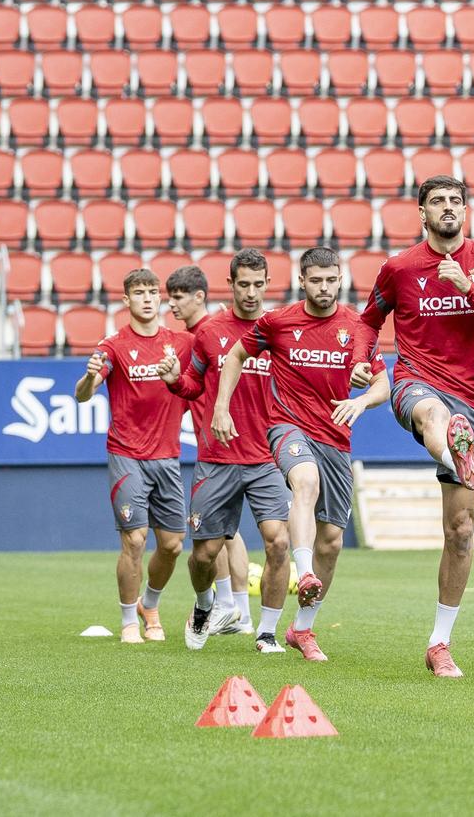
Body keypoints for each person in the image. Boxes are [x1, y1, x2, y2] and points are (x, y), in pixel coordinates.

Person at [360, 175, 474, 678]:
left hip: (473, 401)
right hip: (414, 381)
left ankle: (439, 643)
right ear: (423, 213)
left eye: (455, 201)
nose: (448, 208)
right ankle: (451, 453)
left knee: (460, 530)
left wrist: (471, 290)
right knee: (431, 414)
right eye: (438, 202)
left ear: (465, 210)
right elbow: (369, 321)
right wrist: (359, 359)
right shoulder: (399, 267)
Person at [212, 247, 386, 664]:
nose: (324, 287)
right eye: (316, 280)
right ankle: (302, 570)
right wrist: (221, 406)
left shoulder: (357, 328)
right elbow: (236, 354)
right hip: (287, 426)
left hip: (336, 438)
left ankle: (302, 629)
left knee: (333, 542)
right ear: (302, 281)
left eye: (331, 280)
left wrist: (362, 402)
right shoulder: (278, 322)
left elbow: (383, 383)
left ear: (339, 279)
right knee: (304, 480)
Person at [164, 256, 292, 653]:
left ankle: (267, 632)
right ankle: (205, 605)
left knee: (278, 543)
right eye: (243, 285)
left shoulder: (280, 331)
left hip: (265, 457)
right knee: (204, 553)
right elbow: (192, 385)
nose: (251, 293)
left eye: (258, 284)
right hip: (217, 458)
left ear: (268, 283)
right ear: (230, 284)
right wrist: (173, 381)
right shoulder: (210, 333)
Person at [75, 268, 190, 645]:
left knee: (172, 545)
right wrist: (90, 379)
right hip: (127, 455)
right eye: (138, 292)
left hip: (168, 456)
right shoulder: (113, 345)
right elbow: (83, 394)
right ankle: (128, 621)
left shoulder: (180, 342)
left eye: (151, 292)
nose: (145, 298)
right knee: (135, 540)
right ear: (126, 301)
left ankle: (149, 604)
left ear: (160, 298)